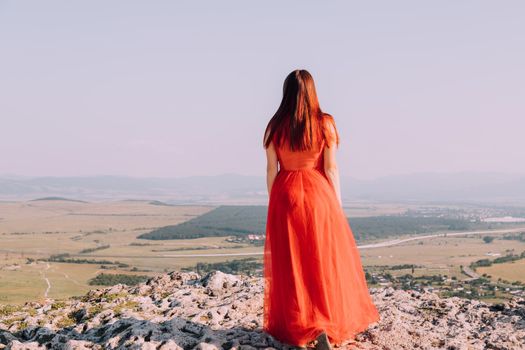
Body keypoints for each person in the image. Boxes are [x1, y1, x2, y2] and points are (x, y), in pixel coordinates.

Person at [262, 69, 380, 349]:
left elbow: (270, 170)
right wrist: (335, 205)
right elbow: (331, 167)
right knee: (321, 262)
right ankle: (323, 322)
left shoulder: (273, 126)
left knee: (292, 264)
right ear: (312, 92)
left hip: (285, 194)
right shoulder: (325, 124)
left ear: (286, 92)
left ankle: (298, 328)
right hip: (318, 196)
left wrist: (276, 202)